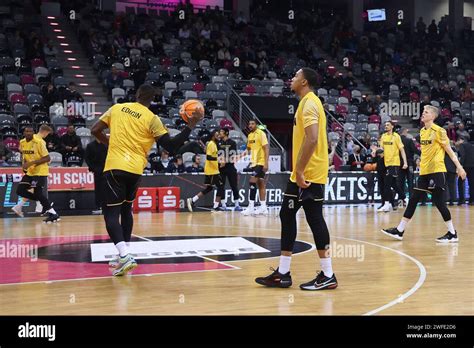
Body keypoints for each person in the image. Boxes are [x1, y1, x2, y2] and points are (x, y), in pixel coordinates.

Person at [91, 84, 202, 276]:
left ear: (137, 94)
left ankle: (124, 255)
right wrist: (190, 126)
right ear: (152, 100)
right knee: (126, 210)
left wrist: (111, 143)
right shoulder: (153, 119)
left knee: (110, 213)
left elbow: (95, 130)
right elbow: (171, 146)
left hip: (115, 167)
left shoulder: (116, 108)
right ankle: (123, 256)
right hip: (135, 170)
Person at [255, 68, 337, 290]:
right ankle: (283, 272)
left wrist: (300, 171)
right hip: (302, 171)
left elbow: (311, 140)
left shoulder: (310, 103)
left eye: (296, 76)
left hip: (309, 173)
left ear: (305, 81)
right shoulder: (306, 102)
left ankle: (328, 274)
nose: (292, 78)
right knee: (287, 213)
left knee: (315, 219)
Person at [382, 105, 466, 243]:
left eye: (426, 112)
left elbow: (449, 151)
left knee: (439, 202)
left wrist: (459, 167)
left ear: (433, 116)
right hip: (424, 172)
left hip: (437, 170)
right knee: (414, 199)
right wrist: (420, 160)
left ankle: (452, 233)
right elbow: (426, 151)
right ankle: (400, 230)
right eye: (423, 112)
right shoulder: (422, 131)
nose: (423, 114)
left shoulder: (439, 131)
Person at [11, 125, 60, 222]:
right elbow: (25, 155)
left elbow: (47, 158)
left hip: (40, 172)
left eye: (30, 131)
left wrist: (31, 163)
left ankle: (52, 212)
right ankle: (46, 206)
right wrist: (24, 165)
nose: (28, 133)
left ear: (33, 132)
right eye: (26, 131)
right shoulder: (22, 142)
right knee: (20, 190)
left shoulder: (39, 142)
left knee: (38, 193)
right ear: (24, 133)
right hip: (30, 172)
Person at [187, 130, 224, 212]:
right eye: (217, 134)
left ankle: (192, 200)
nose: (218, 136)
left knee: (209, 188)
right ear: (213, 136)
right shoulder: (211, 144)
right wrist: (218, 160)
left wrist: (218, 162)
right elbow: (209, 157)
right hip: (212, 170)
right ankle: (215, 207)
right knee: (220, 187)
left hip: (213, 169)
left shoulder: (214, 144)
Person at [240, 120, 269, 215]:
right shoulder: (250, 135)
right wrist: (240, 155)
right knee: (260, 183)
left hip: (260, 163)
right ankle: (263, 207)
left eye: (252, 124)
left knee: (252, 182)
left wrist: (266, 163)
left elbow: (266, 148)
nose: (250, 125)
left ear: (256, 125)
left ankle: (251, 207)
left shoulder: (261, 134)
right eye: (249, 124)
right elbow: (248, 149)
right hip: (254, 163)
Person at [377, 122, 408, 212]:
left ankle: (387, 204)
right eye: (385, 125)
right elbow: (381, 149)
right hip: (386, 163)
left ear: (392, 126)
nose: (386, 126)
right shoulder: (383, 136)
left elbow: (402, 150)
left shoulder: (396, 136)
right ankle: (404, 198)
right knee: (393, 184)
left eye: (388, 125)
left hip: (394, 163)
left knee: (387, 183)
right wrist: (376, 151)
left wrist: (405, 162)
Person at [217, 128, 241, 211]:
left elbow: (233, 155)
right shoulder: (219, 143)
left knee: (234, 186)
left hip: (230, 167)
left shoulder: (232, 143)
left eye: (221, 132)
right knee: (221, 186)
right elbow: (218, 155)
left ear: (226, 133)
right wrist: (220, 161)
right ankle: (223, 205)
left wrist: (225, 161)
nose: (220, 133)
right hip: (221, 168)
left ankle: (237, 205)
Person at [85, 137, 108, 214]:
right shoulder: (90, 145)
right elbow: (87, 158)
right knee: (98, 188)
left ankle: (106, 206)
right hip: (97, 170)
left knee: (106, 188)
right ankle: (98, 206)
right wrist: (93, 168)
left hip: (106, 169)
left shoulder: (106, 144)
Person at [399, 128, 420, 201]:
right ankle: (411, 198)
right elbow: (415, 150)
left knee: (400, 182)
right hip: (409, 162)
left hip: (399, 163)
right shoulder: (409, 140)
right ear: (404, 132)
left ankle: (401, 199)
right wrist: (422, 154)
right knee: (410, 181)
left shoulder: (397, 141)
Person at [456, 138, 474, 205]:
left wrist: (460, 166)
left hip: (465, 167)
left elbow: (463, 155)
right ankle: (472, 200)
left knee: (460, 183)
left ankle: (461, 200)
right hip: (472, 166)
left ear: (461, 140)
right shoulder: (471, 145)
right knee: (472, 184)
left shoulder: (462, 145)